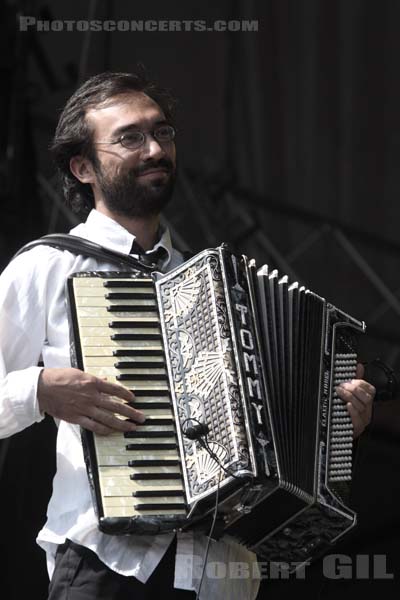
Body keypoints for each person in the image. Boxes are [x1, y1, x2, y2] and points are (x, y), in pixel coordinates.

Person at [0, 71, 375, 600]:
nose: (155, 148)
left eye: (164, 133)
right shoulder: (50, 265)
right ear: (82, 166)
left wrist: (332, 429)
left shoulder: (216, 287)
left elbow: (271, 437)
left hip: (221, 577)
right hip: (111, 567)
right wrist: (39, 389)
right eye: (130, 136)